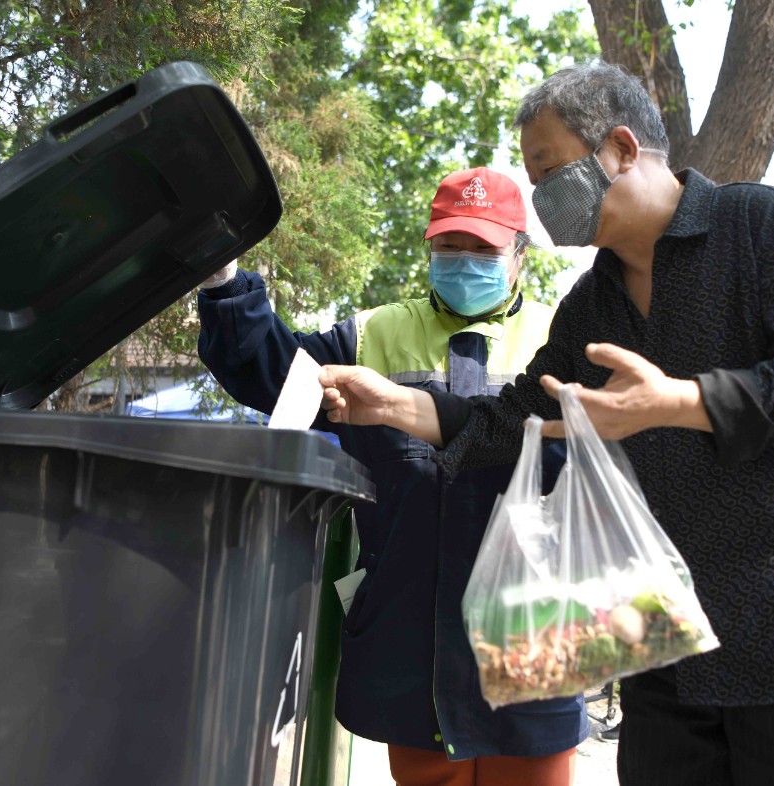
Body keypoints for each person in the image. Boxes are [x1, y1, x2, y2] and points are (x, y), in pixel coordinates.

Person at [316, 61, 774, 786]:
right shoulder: (590, 307)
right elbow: (517, 420)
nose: (542, 200)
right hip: (669, 654)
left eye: (550, 171)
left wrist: (682, 402)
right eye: (533, 182)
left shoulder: (760, 225)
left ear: (623, 149)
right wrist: (387, 404)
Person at [197, 167, 590, 785]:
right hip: (415, 640)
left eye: (482, 249)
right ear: (429, 247)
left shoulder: (560, 337)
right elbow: (276, 374)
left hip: (532, 634)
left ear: (519, 255)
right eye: (449, 246)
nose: (464, 261)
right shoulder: (375, 333)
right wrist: (224, 282)